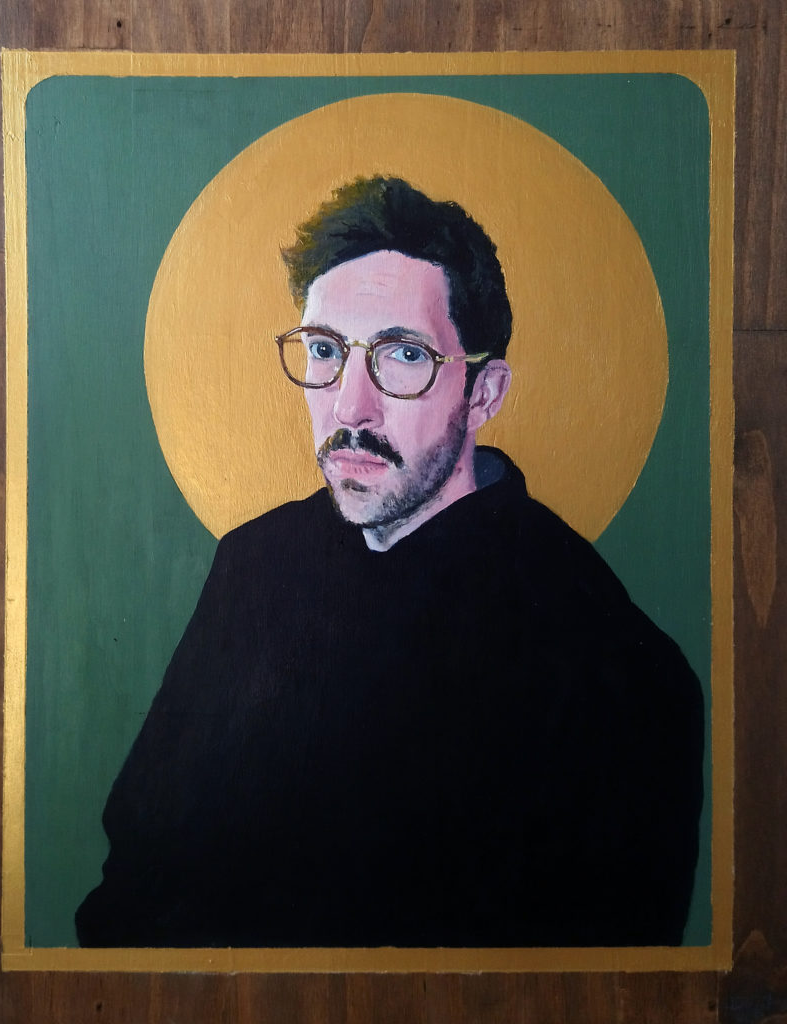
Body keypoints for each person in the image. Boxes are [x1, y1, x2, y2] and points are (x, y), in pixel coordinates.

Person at [76, 176, 704, 949]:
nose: (349, 408)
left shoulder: (616, 666)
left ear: (484, 393)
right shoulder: (255, 566)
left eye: (403, 356)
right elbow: (138, 864)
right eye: (325, 351)